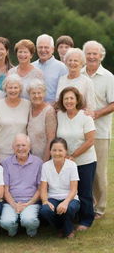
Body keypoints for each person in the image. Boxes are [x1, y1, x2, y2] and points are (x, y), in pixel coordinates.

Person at [81, 40, 114, 219]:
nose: (92, 56)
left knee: (99, 172)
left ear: (101, 56)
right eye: (89, 53)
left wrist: (96, 114)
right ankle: (86, 205)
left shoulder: (108, 77)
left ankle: (99, 208)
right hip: (80, 132)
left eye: (95, 54)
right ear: (84, 55)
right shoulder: (78, 74)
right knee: (84, 171)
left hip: (100, 132)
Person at [57, 87, 97, 230]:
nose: (69, 101)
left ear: (77, 100)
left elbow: (90, 141)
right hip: (66, 162)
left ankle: (86, 220)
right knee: (69, 191)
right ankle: (72, 216)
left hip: (85, 161)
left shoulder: (85, 117)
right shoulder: (59, 115)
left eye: (71, 98)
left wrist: (73, 155)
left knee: (84, 191)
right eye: (66, 98)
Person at [0, 134, 42, 237]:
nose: (20, 148)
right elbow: (5, 190)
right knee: (5, 222)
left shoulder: (38, 163)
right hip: (11, 202)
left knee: (29, 220)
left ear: (29, 147)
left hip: (31, 202)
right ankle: (12, 228)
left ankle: (31, 229)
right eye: (17, 145)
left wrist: (27, 204)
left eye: (23, 145)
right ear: (13, 147)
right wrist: (14, 205)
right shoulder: (6, 163)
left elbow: (40, 189)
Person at [39, 138, 80, 238]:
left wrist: (65, 202)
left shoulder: (72, 165)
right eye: (54, 150)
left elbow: (74, 189)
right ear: (50, 151)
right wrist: (45, 201)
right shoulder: (45, 166)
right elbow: (43, 188)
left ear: (66, 151)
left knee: (69, 208)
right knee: (45, 210)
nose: (57, 153)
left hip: (70, 198)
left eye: (60, 150)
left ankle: (68, 230)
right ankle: (62, 228)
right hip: (52, 197)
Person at [0, 74, 30, 161]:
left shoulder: (27, 104)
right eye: (10, 87)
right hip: (3, 152)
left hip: (23, 152)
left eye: (16, 87)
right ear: (5, 89)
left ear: (20, 89)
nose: (13, 90)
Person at [27, 79, 57, 161]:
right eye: (33, 93)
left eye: (39, 93)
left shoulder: (49, 111)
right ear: (29, 95)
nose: (36, 96)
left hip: (43, 157)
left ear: (44, 94)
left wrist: (45, 161)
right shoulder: (29, 108)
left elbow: (51, 138)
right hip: (30, 157)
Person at [33, 34, 67, 103]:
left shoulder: (62, 68)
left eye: (46, 47)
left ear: (52, 49)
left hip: (54, 110)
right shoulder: (31, 67)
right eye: (40, 47)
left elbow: (65, 92)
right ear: (36, 49)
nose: (43, 50)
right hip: (33, 110)